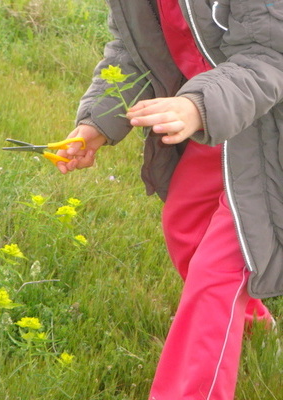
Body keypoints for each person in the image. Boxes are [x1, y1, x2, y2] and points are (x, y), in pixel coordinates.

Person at [56, 1, 283, 399]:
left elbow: (269, 56)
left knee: (218, 272)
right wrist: (97, 122)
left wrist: (196, 106)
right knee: (185, 226)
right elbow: (132, 52)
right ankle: (251, 322)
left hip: (269, 127)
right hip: (215, 118)